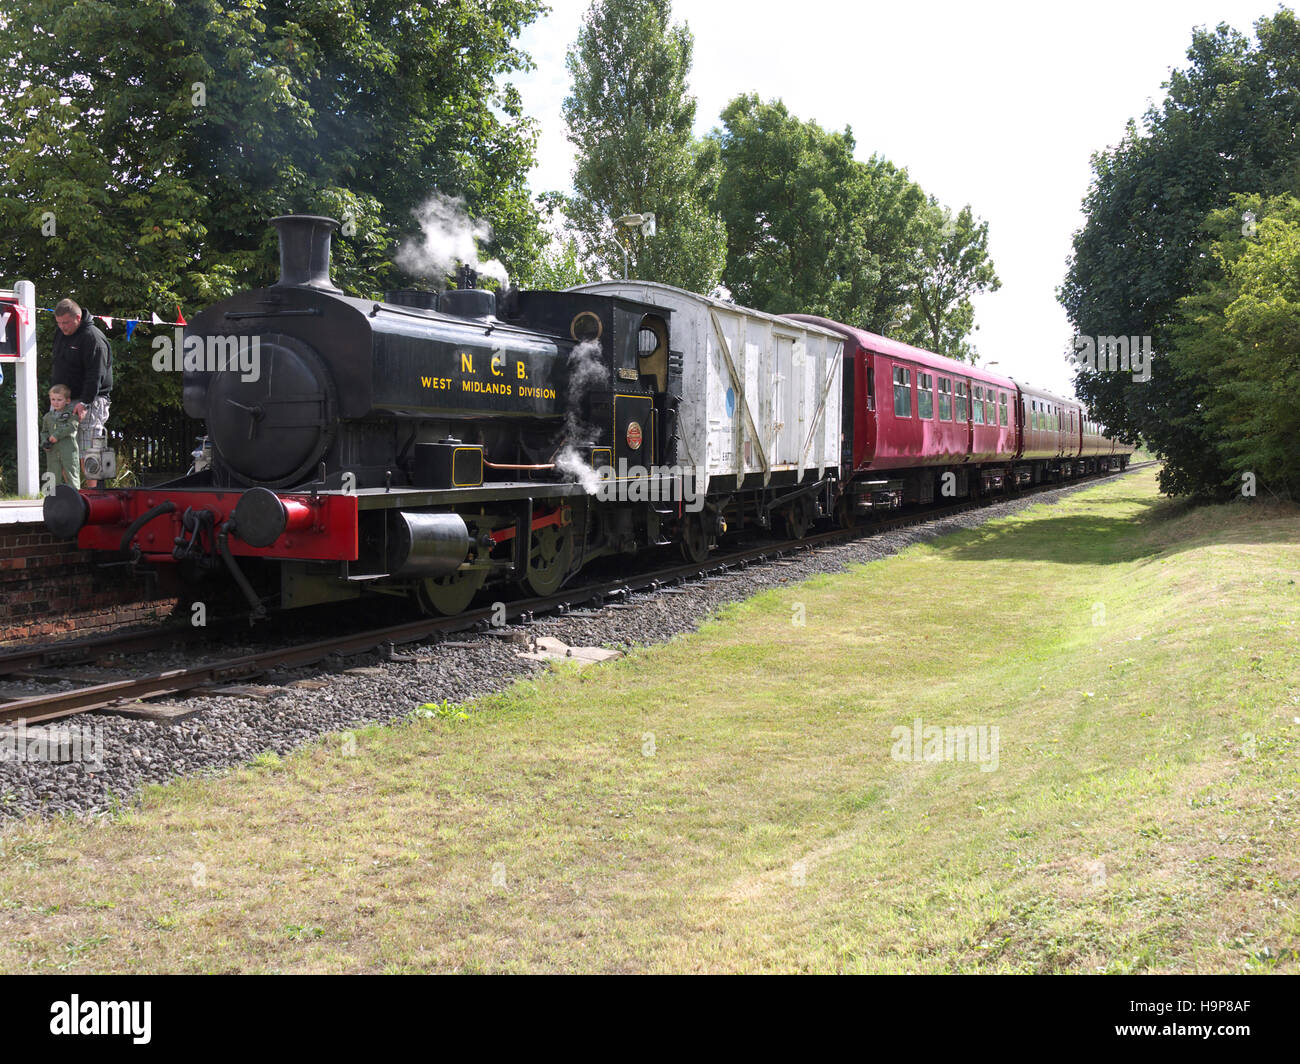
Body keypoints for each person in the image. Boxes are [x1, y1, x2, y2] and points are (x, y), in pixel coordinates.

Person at [50, 298, 113, 487]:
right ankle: (71, 494)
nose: (62, 327)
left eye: (66, 322)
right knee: (64, 450)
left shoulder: (93, 337)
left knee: (89, 452)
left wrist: (85, 402)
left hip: (90, 400)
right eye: (59, 323)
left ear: (78, 318)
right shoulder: (60, 333)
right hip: (63, 399)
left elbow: (96, 374)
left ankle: (93, 495)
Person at [42, 384, 80, 489]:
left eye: (59, 400)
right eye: (53, 399)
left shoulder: (72, 414)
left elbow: (72, 426)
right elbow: (44, 432)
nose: (56, 402)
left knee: (71, 472)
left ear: (67, 401)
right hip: (52, 451)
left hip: (68, 449)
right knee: (52, 473)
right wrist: (44, 442)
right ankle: (52, 496)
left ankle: (75, 495)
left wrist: (56, 435)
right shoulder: (48, 417)